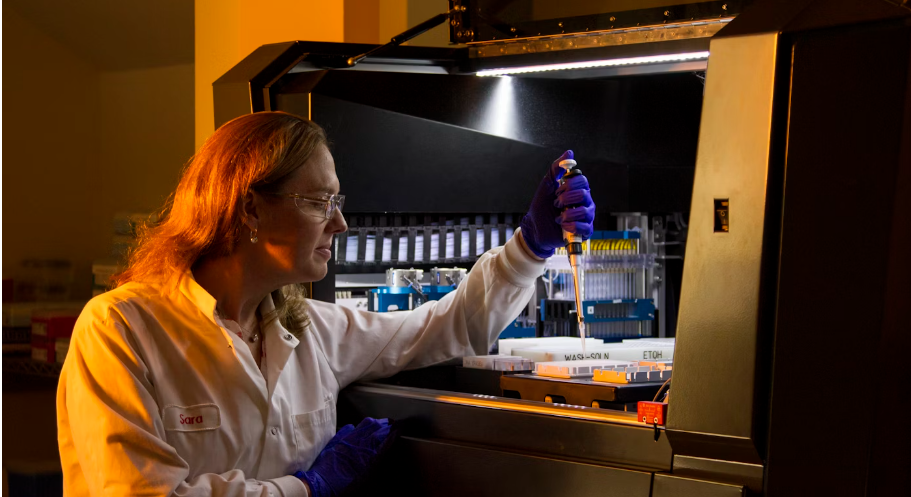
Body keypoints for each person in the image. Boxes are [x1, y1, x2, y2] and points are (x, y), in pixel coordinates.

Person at [56, 111, 595, 496]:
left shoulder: (309, 328)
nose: (340, 222)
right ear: (248, 211)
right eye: (318, 202)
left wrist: (530, 247)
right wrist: (304, 489)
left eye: (337, 201)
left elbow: (444, 325)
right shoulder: (121, 330)